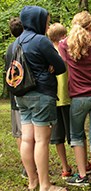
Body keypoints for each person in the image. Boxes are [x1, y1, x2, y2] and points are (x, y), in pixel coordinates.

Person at [14, 6, 67, 191]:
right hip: (41, 94)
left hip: (21, 96)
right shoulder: (40, 41)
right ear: (37, 21)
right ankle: (45, 185)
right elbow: (60, 66)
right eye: (46, 21)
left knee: (27, 139)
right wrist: (49, 68)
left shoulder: (15, 42)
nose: (47, 25)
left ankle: (32, 182)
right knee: (42, 140)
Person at [58, 11, 91, 190]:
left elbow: (61, 60)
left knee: (77, 136)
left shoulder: (66, 45)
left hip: (78, 98)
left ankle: (81, 176)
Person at [47, 23, 73, 180]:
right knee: (75, 135)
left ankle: (65, 168)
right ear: (63, 37)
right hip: (69, 98)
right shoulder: (69, 52)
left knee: (57, 137)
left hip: (53, 99)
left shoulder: (47, 53)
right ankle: (84, 164)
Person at [4, 17, 28, 179]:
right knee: (30, 133)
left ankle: (26, 167)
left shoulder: (9, 50)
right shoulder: (28, 46)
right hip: (30, 94)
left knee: (20, 134)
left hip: (15, 95)